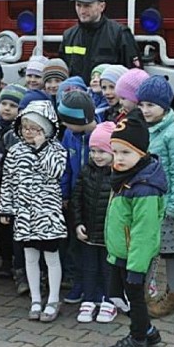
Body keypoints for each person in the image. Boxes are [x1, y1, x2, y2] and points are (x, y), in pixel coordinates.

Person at [0, 100, 67, 324]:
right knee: (30, 256)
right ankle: (36, 299)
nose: (28, 132)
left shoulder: (56, 149)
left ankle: (54, 298)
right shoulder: (15, 151)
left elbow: (55, 172)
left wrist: (42, 149)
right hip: (24, 215)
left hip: (47, 214)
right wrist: (6, 208)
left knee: (51, 257)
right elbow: (7, 181)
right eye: (25, 127)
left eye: (34, 128)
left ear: (46, 129)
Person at [104, 110, 166, 347]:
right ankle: (148, 331)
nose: (118, 158)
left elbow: (144, 231)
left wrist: (136, 268)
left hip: (134, 257)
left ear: (141, 153)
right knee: (117, 295)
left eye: (126, 152)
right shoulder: (123, 177)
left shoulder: (144, 187)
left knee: (134, 298)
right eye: (115, 152)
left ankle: (138, 338)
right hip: (120, 251)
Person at [136, 76, 174, 318]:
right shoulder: (139, 128)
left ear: (165, 107)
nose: (145, 110)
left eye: (151, 105)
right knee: (146, 249)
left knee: (171, 252)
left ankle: (172, 294)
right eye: (142, 104)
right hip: (145, 203)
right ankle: (146, 293)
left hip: (166, 204)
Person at [70, 121, 117, 324]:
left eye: (102, 151)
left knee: (108, 268)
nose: (97, 156)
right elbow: (77, 199)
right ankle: (89, 299)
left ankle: (109, 300)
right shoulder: (86, 171)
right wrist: (78, 223)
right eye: (93, 151)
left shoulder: (118, 176)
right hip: (88, 232)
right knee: (89, 267)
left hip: (109, 236)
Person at [57, 91, 98, 306]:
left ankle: (97, 286)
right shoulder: (69, 135)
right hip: (75, 199)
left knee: (94, 245)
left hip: (96, 198)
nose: (64, 124)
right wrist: (64, 193)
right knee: (75, 243)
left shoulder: (100, 136)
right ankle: (78, 282)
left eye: (67, 121)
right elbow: (64, 167)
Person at [59, 0, 142, 84]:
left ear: (102, 6)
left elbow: (134, 75)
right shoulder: (69, 36)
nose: (82, 10)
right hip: (77, 96)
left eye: (87, 6)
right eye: (78, 5)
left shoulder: (119, 34)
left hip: (109, 97)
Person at [0, 83, 25, 270]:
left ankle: (17, 261)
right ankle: (6, 259)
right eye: (4, 103)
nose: (7, 108)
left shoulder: (21, 131)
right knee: (2, 223)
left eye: (13, 105)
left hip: (16, 185)